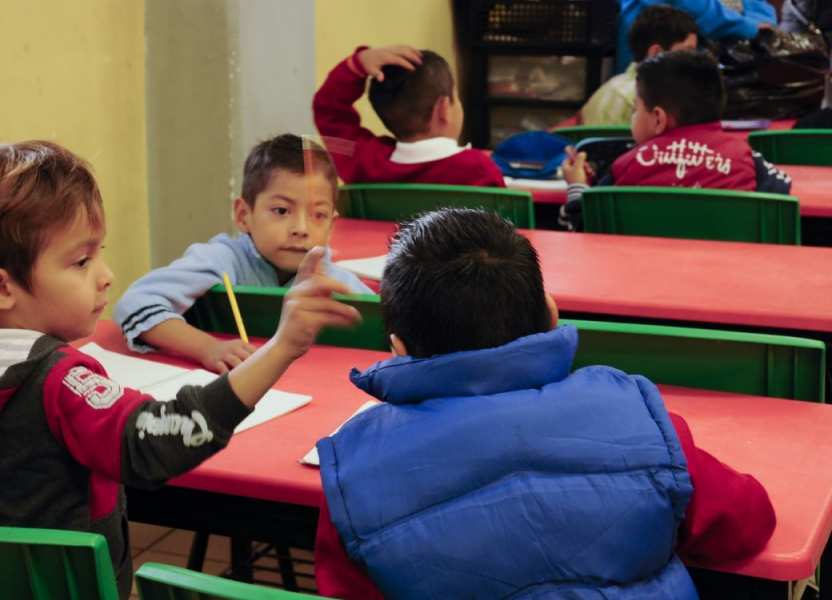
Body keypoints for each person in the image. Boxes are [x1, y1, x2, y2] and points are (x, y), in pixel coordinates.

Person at [0, 141, 362, 599]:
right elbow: (161, 442)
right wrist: (280, 348)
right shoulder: (60, 381)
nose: (106, 274)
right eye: (81, 261)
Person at [313, 208, 776, 599]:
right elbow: (746, 524)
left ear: (397, 347)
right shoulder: (644, 420)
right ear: (551, 315)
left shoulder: (350, 477)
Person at [114, 133, 372, 373]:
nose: (301, 229)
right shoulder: (222, 259)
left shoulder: (331, 278)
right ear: (243, 215)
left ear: (331, 226)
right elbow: (135, 303)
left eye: (319, 215)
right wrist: (207, 348)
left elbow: (391, 322)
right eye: (282, 211)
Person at [561, 49, 791, 230]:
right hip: (730, 281)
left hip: (637, 281)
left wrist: (578, 187)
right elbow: (780, 196)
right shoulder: (748, 159)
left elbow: (584, 226)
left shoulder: (627, 165)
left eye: (636, 109)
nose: (633, 116)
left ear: (658, 119)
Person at [313, 45, 506, 187]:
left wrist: (357, 64)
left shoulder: (366, 162)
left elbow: (328, 110)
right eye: (456, 97)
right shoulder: (479, 170)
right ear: (444, 109)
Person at [582, 5, 700, 125]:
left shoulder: (607, 88)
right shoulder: (649, 98)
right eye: (687, 52)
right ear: (656, 53)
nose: (693, 60)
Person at [615, 0, 776, 73]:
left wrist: (755, 26)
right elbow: (697, 8)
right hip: (660, 48)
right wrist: (748, 27)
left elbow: (764, 15)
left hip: (720, 68)